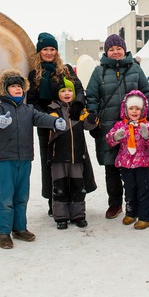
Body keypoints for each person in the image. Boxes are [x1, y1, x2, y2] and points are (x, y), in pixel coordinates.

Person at [0, 69, 66, 249]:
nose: (17, 89)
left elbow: (41, 118)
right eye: (13, 86)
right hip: (6, 158)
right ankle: (2, 232)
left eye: (19, 86)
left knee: (22, 195)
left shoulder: (28, 109)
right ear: (5, 89)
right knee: (6, 197)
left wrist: (54, 122)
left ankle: (19, 228)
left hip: (24, 158)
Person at [86, 34, 149, 220]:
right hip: (109, 127)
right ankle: (115, 203)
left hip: (134, 126)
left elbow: (146, 92)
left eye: (118, 48)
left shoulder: (135, 69)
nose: (115, 52)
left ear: (124, 49)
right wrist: (93, 118)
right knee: (111, 167)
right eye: (111, 49)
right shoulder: (98, 72)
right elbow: (91, 96)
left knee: (140, 166)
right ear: (106, 52)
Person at [26, 32, 95, 219]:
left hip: (71, 124)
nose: (49, 53)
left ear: (57, 51)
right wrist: (48, 116)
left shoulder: (65, 70)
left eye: (52, 49)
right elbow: (31, 101)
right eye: (45, 49)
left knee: (75, 161)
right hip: (47, 127)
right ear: (39, 52)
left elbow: (79, 89)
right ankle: (54, 201)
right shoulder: (34, 75)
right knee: (51, 163)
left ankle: (75, 198)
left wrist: (79, 104)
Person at [105, 90, 149, 230]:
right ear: (125, 109)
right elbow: (109, 140)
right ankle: (131, 212)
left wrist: (148, 136)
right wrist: (116, 137)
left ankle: (145, 216)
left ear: (143, 110)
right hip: (126, 163)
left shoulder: (147, 125)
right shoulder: (120, 125)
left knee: (143, 190)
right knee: (129, 189)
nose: (134, 111)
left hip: (142, 163)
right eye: (131, 108)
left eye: (137, 108)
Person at [47, 78, 94, 229]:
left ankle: (78, 215)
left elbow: (88, 125)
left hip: (77, 156)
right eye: (63, 91)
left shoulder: (79, 110)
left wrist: (93, 118)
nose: (67, 94)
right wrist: (54, 122)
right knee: (60, 187)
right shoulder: (53, 109)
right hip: (58, 157)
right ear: (57, 94)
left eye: (69, 91)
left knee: (78, 187)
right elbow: (48, 122)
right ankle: (61, 216)